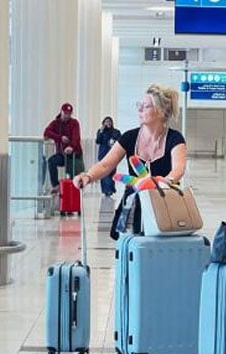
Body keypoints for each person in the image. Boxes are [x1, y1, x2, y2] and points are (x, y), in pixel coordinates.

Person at [74, 84, 186, 239]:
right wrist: (88, 176)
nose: (140, 110)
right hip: (133, 203)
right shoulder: (129, 137)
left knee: (160, 249)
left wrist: (164, 181)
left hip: (164, 204)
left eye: (145, 106)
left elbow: (178, 169)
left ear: (160, 111)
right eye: (139, 105)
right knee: (130, 249)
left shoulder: (175, 139)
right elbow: (106, 164)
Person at [43, 102, 84, 194]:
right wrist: (60, 138)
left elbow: (76, 137)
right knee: (51, 161)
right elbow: (46, 132)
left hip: (74, 155)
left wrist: (71, 147)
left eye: (69, 114)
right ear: (61, 112)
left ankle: (74, 198)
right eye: (65, 113)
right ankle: (56, 185)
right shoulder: (55, 123)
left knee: (73, 176)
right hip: (62, 154)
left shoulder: (74, 123)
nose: (67, 115)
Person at [95, 116, 122, 197]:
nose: (108, 123)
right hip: (103, 155)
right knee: (104, 173)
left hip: (113, 155)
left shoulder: (116, 132)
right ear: (103, 123)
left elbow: (120, 141)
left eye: (109, 121)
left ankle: (111, 189)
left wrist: (115, 142)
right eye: (106, 122)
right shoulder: (101, 131)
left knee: (111, 173)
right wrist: (101, 131)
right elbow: (98, 141)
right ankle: (106, 190)